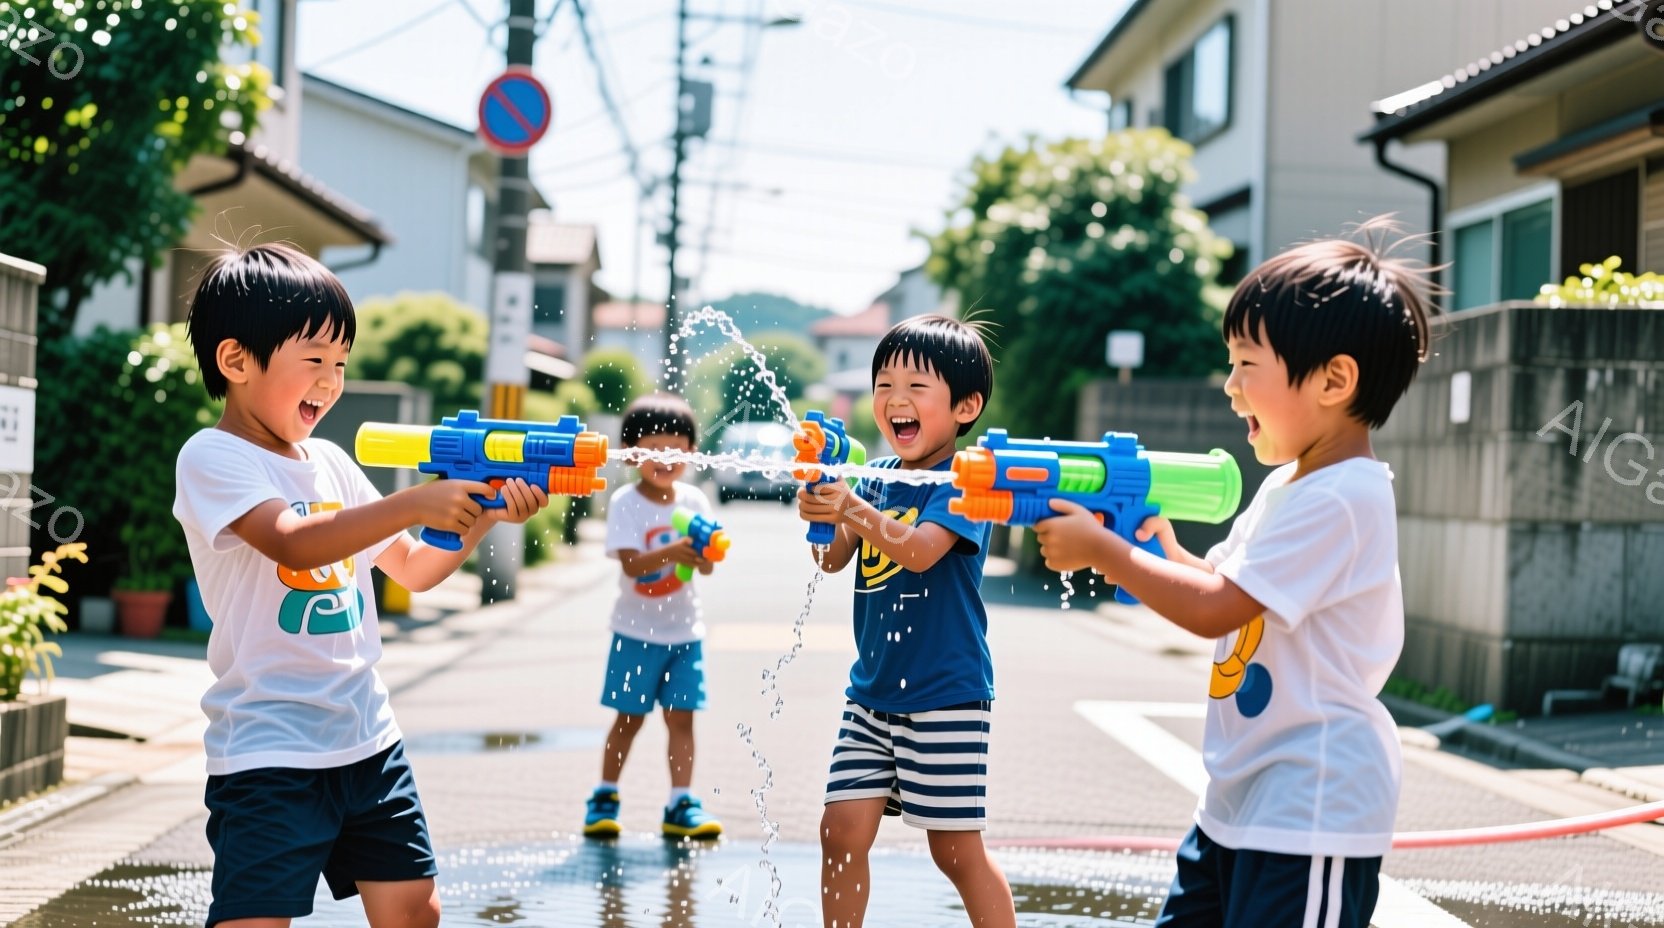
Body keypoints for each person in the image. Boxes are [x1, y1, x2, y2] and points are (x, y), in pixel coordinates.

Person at [1032, 221, 1435, 928]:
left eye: (1248, 365)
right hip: (1241, 798)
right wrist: (1158, 549)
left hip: (1310, 807)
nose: (1230, 386)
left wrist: (1105, 552)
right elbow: (1220, 586)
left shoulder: (1346, 497)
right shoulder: (1291, 486)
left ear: (1335, 380)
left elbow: (1216, 609)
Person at [172, 242, 549, 928]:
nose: (330, 379)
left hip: (367, 736)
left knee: (414, 910)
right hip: (268, 749)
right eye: (313, 360)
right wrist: (412, 502)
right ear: (235, 362)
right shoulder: (213, 456)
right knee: (255, 920)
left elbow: (414, 568)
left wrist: (481, 515)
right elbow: (288, 539)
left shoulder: (331, 463)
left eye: (340, 363)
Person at [795, 315, 1016, 928]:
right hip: (871, 695)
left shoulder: (961, 483)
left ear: (965, 406)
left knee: (955, 851)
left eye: (917, 388)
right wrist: (820, 508)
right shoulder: (878, 478)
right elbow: (832, 559)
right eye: (884, 384)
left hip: (946, 696)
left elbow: (918, 551)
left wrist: (852, 507)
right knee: (839, 832)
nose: (896, 400)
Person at [582, 392, 724, 840]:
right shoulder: (626, 502)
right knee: (629, 719)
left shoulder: (695, 502)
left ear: (691, 452)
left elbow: (705, 567)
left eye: (675, 449)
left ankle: (681, 802)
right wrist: (674, 550)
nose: (665, 459)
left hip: (685, 633)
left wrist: (703, 554)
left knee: (682, 718)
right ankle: (604, 796)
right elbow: (631, 564)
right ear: (632, 451)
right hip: (634, 633)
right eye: (653, 449)